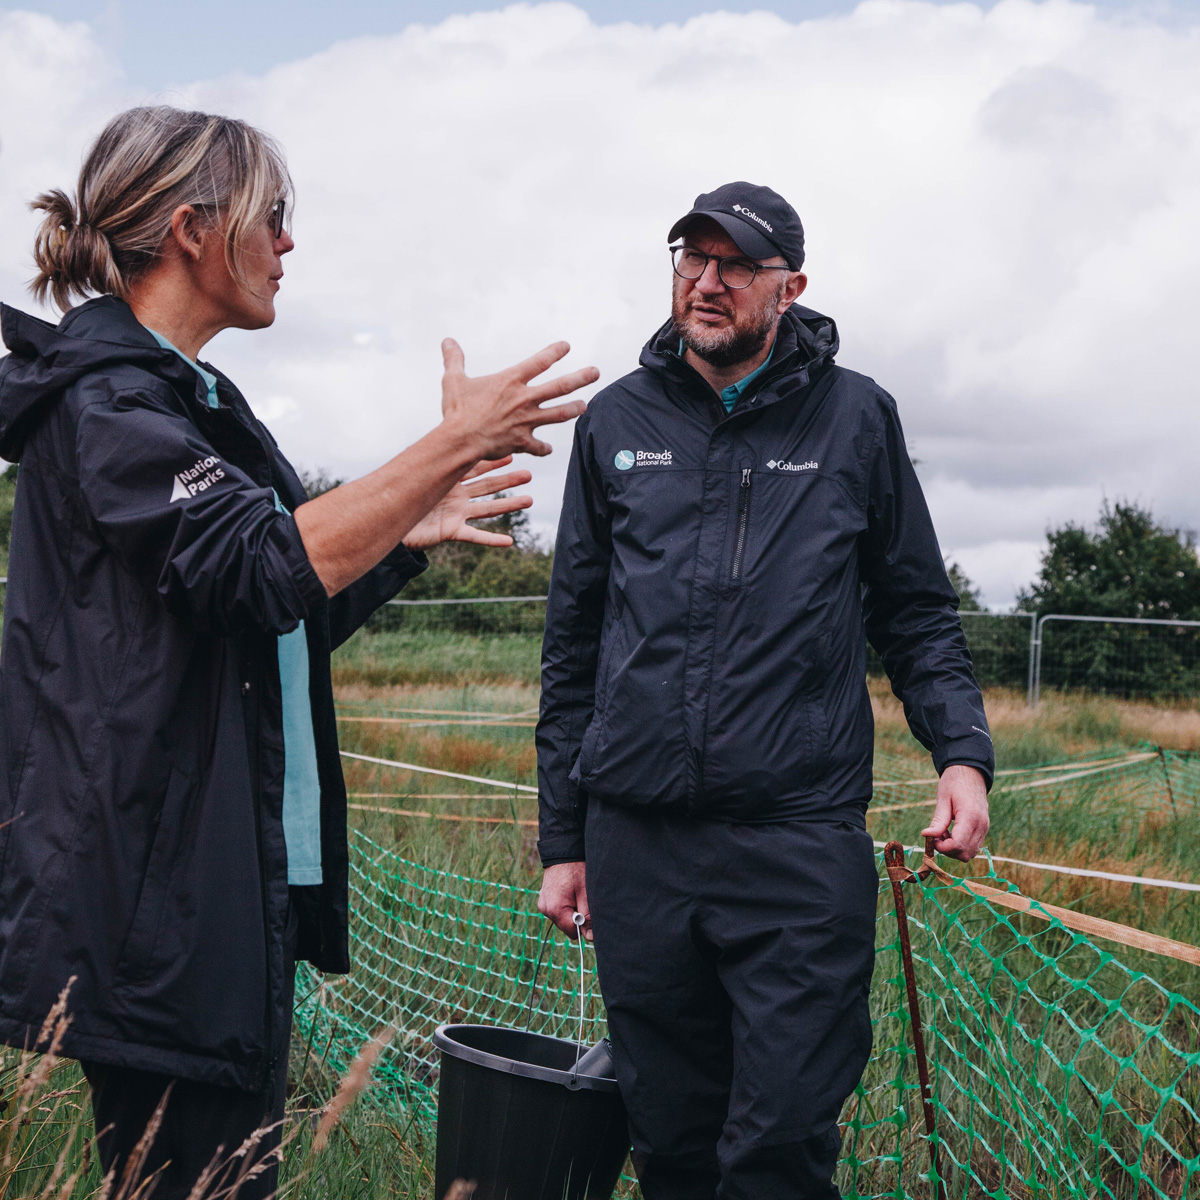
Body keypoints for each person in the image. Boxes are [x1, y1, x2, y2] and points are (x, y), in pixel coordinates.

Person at [0, 105, 596, 1198]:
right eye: (273, 216)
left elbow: (263, 609)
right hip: (158, 900)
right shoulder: (110, 406)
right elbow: (260, 562)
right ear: (191, 228)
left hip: (217, 884)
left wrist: (394, 542)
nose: (288, 244)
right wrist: (447, 443)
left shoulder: (193, 400)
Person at [536, 181, 992, 1199]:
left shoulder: (857, 419)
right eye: (690, 260)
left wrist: (961, 752)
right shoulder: (616, 422)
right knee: (671, 1142)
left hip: (794, 842)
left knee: (779, 1141)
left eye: (734, 265)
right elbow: (573, 645)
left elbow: (915, 610)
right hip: (637, 841)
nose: (706, 282)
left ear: (789, 286)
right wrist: (563, 838)